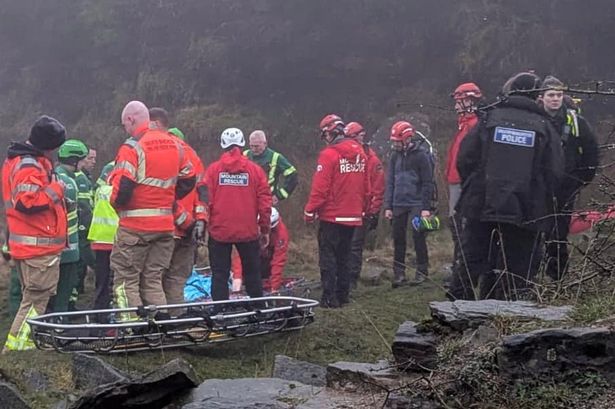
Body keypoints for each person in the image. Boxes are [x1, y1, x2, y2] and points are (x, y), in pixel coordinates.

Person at [454, 72, 564, 300]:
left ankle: (451, 315)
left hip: (482, 203)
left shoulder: (488, 118)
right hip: (527, 210)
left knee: (470, 263)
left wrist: (473, 188)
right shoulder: (545, 127)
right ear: (537, 98)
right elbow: (555, 171)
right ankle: (509, 320)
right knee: (519, 272)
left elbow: (465, 159)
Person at [109, 101, 195, 320]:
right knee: (153, 278)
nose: (125, 129)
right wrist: (167, 199)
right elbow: (189, 178)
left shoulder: (131, 147)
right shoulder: (174, 144)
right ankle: (161, 325)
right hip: (165, 226)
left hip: (134, 227)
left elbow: (122, 190)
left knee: (126, 279)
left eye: (124, 124)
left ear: (130, 120)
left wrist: (118, 206)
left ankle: (131, 328)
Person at [2, 116, 67, 352]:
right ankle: (17, 350)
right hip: (38, 247)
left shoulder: (23, 160)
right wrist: (56, 189)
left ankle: (24, 346)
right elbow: (26, 203)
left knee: (32, 299)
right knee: (34, 301)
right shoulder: (29, 164)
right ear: (48, 145)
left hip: (30, 245)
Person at [304, 114, 369, 308]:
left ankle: (329, 297)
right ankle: (344, 294)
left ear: (330, 133)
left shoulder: (329, 155)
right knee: (345, 255)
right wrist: (362, 208)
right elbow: (367, 186)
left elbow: (320, 188)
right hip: (353, 215)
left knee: (328, 257)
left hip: (332, 215)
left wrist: (310, 210)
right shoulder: (361, 153)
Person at [538, 75, 599, 280]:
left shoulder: (574, 121)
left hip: (566, 185)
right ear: (542, 97)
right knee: (539, 229)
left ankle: (557, 277)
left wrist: (582, 179)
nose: (555, 99)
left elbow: (591, 150)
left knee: (559, 231)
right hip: (539, 185)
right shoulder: (535, 119)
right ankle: (534, 273)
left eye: (559, 95)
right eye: (551, 95)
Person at [149, 107, 208, 307]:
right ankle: (176, 321)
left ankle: (158, 325)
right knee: (177, 280)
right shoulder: (192, 154)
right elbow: (202, 191)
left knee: (152, 280)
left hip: (162, 227)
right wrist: (199, 221)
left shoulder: (154, 150)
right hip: (188, 229)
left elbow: (153, 192)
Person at [204, 127, 272, 301]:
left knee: (219, 274)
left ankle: (220, 312)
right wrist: (264, 229)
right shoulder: (255, 171)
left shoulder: (212, 171)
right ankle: (257, 310)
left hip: (219, 232)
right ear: (243, 144)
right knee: (252, 273)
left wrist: (204, 224)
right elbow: (265, 204)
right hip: (248, 231)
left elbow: (205, 201)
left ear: (222, 145)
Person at [384, 121, 435, 288]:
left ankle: (422, 271)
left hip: (417, 202)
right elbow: (390, 181)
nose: (395, 144)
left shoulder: (421, 156)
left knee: (418, 236)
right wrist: (388, 206)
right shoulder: (394, 157)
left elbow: (427, 182)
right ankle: (399, 273)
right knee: (398, 238)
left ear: (407, 139)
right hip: (398, 202)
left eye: (397, 141)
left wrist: (426, 208)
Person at [445, 83, 482, 282]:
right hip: (455, 181)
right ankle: (458, 266)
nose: (456, 105)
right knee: (455, 225)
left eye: (459, 101)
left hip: (463, 183)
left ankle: (462, 268)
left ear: (469, 101)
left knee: (461, 226)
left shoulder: (475, 125)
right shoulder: (464, 124)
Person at [344, 122, 385, 288]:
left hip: (363, 210)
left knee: (355, 245)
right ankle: (343, 276)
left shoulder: (372, 160)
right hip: (346, 209)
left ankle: (352, 279)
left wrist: (374, 212)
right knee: (344, 244)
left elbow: (378, 188)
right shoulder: (345, 157)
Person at [51, 139, 88, 313]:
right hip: (68, 249)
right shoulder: (70, 183)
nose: (84, 163)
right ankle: (60, 321)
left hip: (54, 248)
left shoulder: (53, 176)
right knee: (63, 292)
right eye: (82, 160)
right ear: (74, 161)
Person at [231, 208, 289, 293]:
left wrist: (274, 288)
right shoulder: (249, 229)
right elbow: (239, 255)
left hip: (268, 259)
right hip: (252, 255)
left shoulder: (281, 234)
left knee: (267, 280)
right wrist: (237, 278)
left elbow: (278, 261)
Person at [87, 160, 118, 312]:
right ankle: (115, 309)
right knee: (116, 279)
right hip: (117, 239)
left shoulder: (101, 190)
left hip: (99, 238)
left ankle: (99, 311)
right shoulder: (118, 192)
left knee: (101, 280)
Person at [70, 146, 96, 308]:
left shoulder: (85, 177)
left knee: (79, 266)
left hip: (83, 230)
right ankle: (70, 303)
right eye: (89, 158)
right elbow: (84, 207)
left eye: (94, 158)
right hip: (81, 231)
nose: (93, 162)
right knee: (79, 266)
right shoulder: (79, 179)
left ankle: (74, 298)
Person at [244, 130, 298, 205]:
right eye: (251, 146)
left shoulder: (275, 157)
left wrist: (279, 195)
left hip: (267, 202)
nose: (253, 149)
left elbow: (293, 175)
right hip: (247, 201)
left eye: (256, 146)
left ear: (265, 143)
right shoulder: (245, 155)